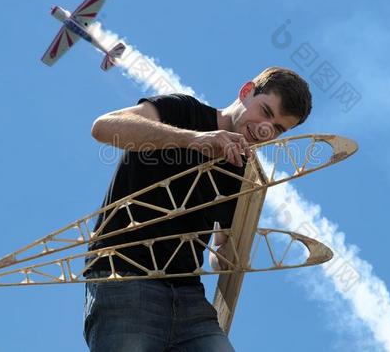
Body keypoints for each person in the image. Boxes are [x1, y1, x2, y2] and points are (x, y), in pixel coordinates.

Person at [83, 66, 312, 351]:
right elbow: (105, 127)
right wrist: (194, 140)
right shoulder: (183, 111)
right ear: (246, 92)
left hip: (190, 299)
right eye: (265, 112)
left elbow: (220, 256)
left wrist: (234, 252)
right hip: (124, 278)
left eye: (278, 128)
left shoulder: (242, 173)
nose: (266, 129)